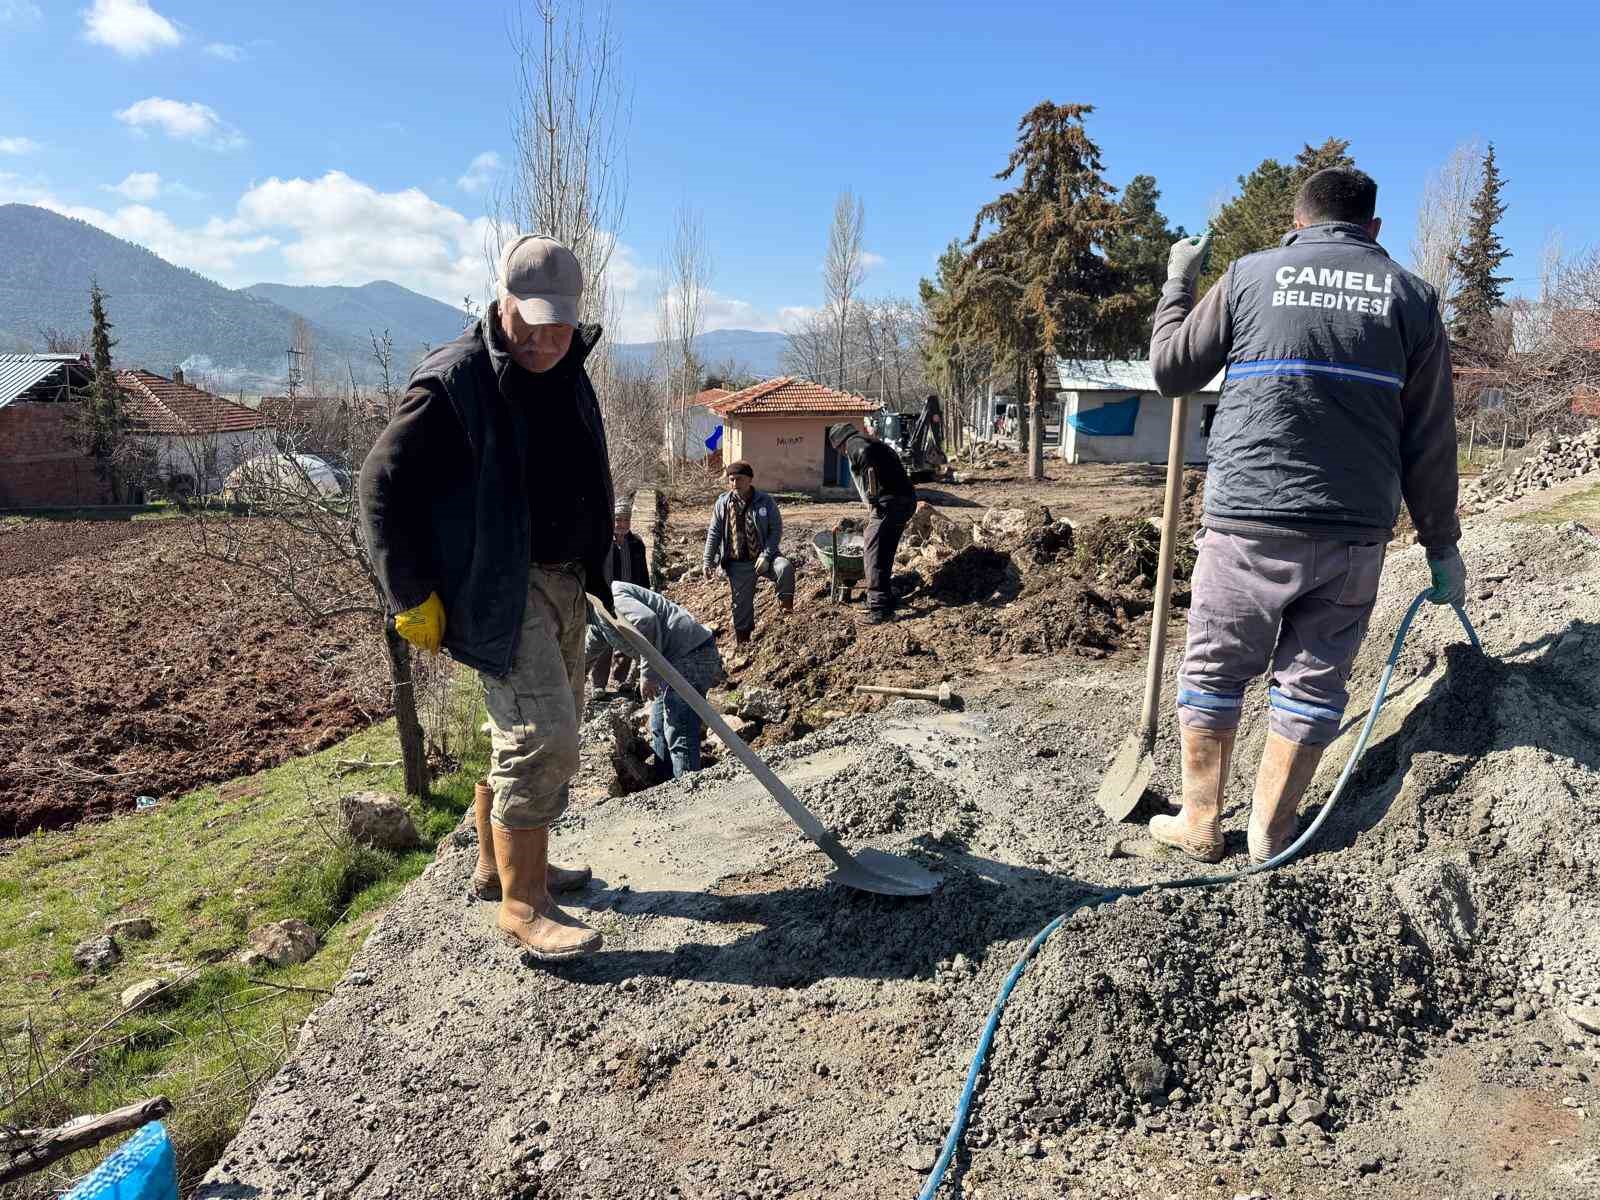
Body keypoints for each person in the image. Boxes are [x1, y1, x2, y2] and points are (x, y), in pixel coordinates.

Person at [1145, 166, 1465, 865]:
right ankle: (1272, 835)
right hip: (1353, 533)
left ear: (1298, 221)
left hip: (1247, 519)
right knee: (1315, 680)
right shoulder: (1413, 297)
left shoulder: (1250, 276)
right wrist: (1443, 545)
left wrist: (1179, 283)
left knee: (1215, 668)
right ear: (1373, 230)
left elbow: (1171, 371)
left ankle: (1200, 820)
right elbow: (1430, 437)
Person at [359, 233, 613, 962]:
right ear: (503, 302)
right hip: (498, 589)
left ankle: (499, 861)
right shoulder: (453, 380)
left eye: (560, 324)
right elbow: (379, 487)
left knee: (545, 727)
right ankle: (524, 903)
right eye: (531, 321)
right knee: (543, 737)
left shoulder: (568, 366)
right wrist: (408, 593)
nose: (545, 338)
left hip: (563, 579)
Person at [591, 581, 722, 779]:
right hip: (670, 663)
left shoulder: (610, 598)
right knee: (659, 726)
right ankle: (665, 788)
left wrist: (647, 674)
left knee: (680, 727)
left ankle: (689, 793)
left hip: (690, 654)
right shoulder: (596, 616)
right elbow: (588, 648)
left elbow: (646, 622)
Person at [826, 422, 918, 624]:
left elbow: (863, 454)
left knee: (873, 551)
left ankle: (879, 608)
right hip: (906, 500)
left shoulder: (855, 444)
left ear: (839, 444)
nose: (842, 454)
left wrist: (872, 491)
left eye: (840, 451)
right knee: (885, 549)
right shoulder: (874, 442)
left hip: (889, 503)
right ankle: (885, 597)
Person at [701, 461, 794, 645]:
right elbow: (714, 532)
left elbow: (776, 529)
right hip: (738, 563)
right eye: (731, 479)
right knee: (740, 606)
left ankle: (787, 614)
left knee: (784, 568)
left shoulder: (765, 501)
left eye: (739, 479)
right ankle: (743, 642)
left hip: (765, 557)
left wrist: (766, 555)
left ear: (750, 479)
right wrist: (707, 561)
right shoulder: (723, 503)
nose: (735, 483)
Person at [589, 497, 649, 694]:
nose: (621, 524)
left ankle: (620, 681)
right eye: (617, 520)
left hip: (628, 601)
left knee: (627, 640)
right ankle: (598, 684)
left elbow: (643, 574)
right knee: (603, 641)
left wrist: (645, 596)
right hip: (604, 599)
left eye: (625, 520)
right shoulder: (601, 542)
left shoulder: (636, 543)